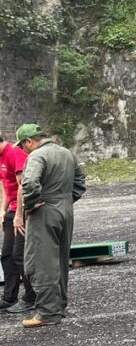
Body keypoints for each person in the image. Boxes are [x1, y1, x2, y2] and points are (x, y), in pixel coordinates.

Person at [15, 123, 85, 328]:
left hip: (44, 211)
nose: (22, 149)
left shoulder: (37, 156)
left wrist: (30, 204)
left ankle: (47, 312)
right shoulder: (66, 153)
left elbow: (29, 183)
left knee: (41, 261)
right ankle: (59, 305)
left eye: (22, 145)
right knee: (61, 259)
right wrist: (66, 200)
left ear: (29, 141)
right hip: (65, 210)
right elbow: (80, 181)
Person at [0, 133, 35, 313]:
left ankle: (31, 297)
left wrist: (19, 214)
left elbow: (23, 185)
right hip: (11, 210)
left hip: (22, 211)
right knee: (7, 256)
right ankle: (9, 298)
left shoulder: (14, 153)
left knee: (20, 255)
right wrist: (2, 210)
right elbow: (6, 185)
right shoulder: (1, 156)